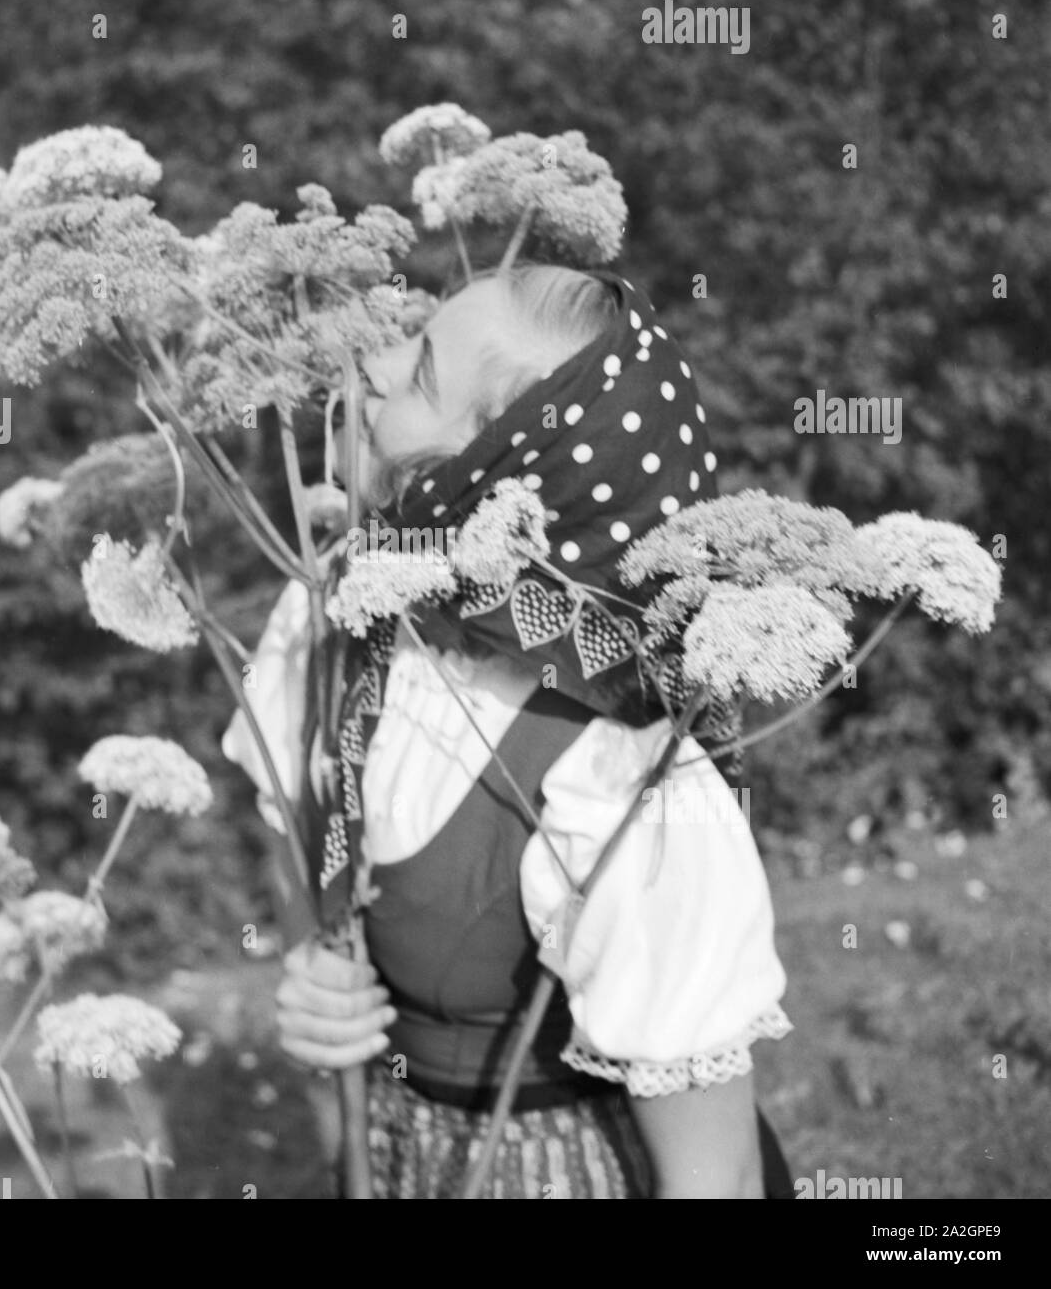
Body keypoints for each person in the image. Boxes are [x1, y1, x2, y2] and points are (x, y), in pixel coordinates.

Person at [224, 265, 793, 1198]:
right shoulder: (332, 603)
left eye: (421, 377)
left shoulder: (623, 762)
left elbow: (714, 1177)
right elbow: (297, 829)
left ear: (489, 476)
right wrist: (318, 977)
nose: (369, 362)